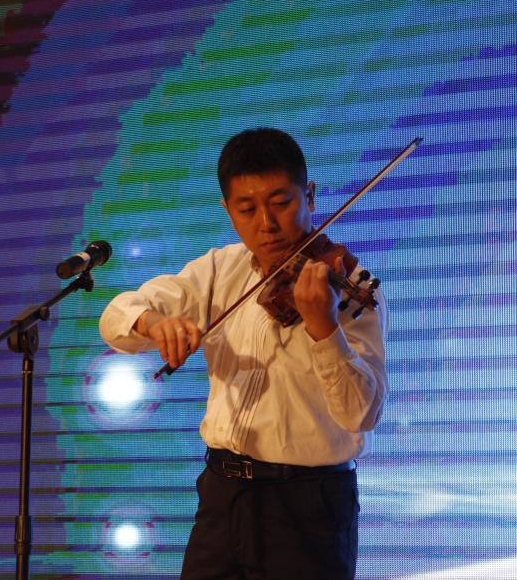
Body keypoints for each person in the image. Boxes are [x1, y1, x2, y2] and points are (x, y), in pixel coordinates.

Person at [98, 128, 388, 579]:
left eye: (281, 203)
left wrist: (324, 328)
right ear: (228, 211)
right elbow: (116, 317)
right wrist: (154, 323)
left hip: (308, 506)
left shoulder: (349, 288)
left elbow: (361, 415)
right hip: (223, 494)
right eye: (247, 209)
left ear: (309, 196)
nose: (266, 224)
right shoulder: (219, 269)